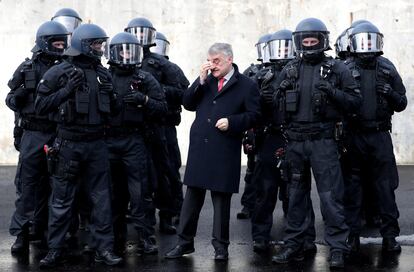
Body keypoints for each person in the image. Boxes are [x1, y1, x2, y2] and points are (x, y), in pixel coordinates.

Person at [271, 18, 361, 269]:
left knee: (331, 197)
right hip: (296, 143)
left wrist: (332, 92)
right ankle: (295, 244)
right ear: (298, 42)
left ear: (323, 41)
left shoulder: (337, 69)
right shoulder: (289, 69)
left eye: (314, 40)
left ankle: (337, 247)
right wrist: (281, 92)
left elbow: (355, 103)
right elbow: (275, 110)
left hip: (324, 142)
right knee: (295, 196)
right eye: (305, 41)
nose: (309, 45)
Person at [35, 23, 122, 268]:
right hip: (68, 144)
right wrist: (66, 90)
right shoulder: (59, 71)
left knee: (102, 199)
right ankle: (55, 250)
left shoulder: (103, 73)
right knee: (62, 200)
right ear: (84, 45)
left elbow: (115, 112)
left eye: (101, 44)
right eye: (96, 44)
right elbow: (40, 106)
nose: (100, 48)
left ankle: (103, 249)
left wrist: (112, 95)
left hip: (96, 144)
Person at [164, 43, 260, 261]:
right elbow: (187, 103)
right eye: (209, 60)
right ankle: (184, 243)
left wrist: (233, 122)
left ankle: (221, 247)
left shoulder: (246, 85)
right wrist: (200, 80)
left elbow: (255, 115)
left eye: (216, 61)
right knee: (192, 198)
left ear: (229, 59)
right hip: (200, 147)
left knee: (221, 201)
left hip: (225, 148)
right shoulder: (206, 81)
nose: (212, 65)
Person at [343, 22, 407, 253]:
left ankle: (390, 236)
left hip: (380, 136)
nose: (367, 46)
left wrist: (389, 93)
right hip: (354, 136)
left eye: (371, 40)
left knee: (384, 188)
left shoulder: (387, 68)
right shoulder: (345, 68)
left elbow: (402, 103)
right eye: (363, 40)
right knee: (353, 188)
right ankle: (352, 236)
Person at [6, 21, 69, 254]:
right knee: (28, 186)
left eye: (64, 42)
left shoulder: (69, 67)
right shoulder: (27, 68)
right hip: (33, 133)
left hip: (59, 132)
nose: (61, 46)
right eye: (57, 42)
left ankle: (48, 234)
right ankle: (22, 235)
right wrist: (19, 97)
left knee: (59, 187)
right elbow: (11, 100)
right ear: (45, 42)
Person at [125, 18, 189, 243]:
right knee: (138, 176)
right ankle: (141, 217)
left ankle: (168, 215)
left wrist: (156, 91)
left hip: (161, 127)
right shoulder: (122, 64)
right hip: (133, 129)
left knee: (166, 172)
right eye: (135, 32)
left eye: (144, 33)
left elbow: (185, 93)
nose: (139, 37)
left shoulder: (163, 65)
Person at [105, 32, 167, 254]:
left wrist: (145, 100)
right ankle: (114, 238)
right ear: (113, 53)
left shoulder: (144, 78)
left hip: (135, 140)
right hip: (108, 139)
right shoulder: (103, 77)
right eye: (122, 50)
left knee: (140, 192)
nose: (126, 55)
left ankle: (146, 237)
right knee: (113, 194)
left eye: (130, 50)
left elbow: (162, 108)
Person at [250, 29, 296, 252]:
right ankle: (260, 235)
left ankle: (299, 237)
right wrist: (261, 100)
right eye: (280, 47)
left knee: (295, 191)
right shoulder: (261, 76)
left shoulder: (301, 72)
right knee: (265, 191)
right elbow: (248, 109)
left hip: (294, 137)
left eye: (288, 46)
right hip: (269, 137)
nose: (283, 52)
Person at [237, 33, 273, 220]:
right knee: (253, 168)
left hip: (275, 127)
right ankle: (248, 205)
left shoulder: (287, 69)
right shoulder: (251, 72)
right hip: (255, 127)